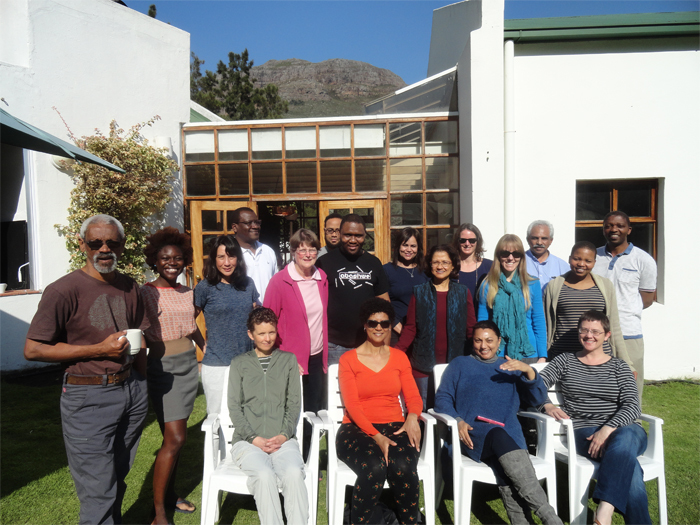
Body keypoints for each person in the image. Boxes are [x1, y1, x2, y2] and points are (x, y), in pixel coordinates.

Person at [23, 214, 149, 525]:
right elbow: (33, 349)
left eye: (112, 242)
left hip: (131, 390)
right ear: (83, 244)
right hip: (87, 394)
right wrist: (98, 350)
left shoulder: (130, 286)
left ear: (121, 245)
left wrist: (142, 381)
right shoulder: (63, 290)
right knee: (98, 487)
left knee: (118, 475)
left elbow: (139, 334)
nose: (104, 249)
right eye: (95, 242)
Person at [434, 321, 561, 525]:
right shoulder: (460, 365)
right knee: (498, 436)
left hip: (507, 440)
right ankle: (550, 518)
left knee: (505, 469)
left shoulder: (510, 366)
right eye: (478, 340)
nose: (484, 346)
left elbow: (537, 398)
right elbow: (442, 399)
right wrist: (457, 421)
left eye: (489, 340)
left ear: (499, 341)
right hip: (473, 435)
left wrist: (528, 371)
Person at [540, 311, 650, 525]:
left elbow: (632, 404)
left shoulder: (619, 366)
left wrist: (607, 428)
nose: (589, 335)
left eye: (595, 331)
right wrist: (546, 404)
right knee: (632, 470)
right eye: (584, 330)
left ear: (607, 335)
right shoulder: (565, 361)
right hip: (586, 432)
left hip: (625, 430)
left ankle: (604, 510)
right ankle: (606, 514)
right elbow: (536, 385)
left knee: (625, 435)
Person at [336, 298, 423, 524]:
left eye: (384, 323)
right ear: (364, 324)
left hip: (395, 425)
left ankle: (409, 521)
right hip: (356, 429)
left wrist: (413, 416)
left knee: (403, 466)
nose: (378, 328)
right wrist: (376, 436)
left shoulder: (399, 357)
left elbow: (413, 396)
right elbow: (352, 406)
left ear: (389, 326)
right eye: (373, 323)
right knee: (374, 468)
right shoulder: (348, 360)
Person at [141, 227, 204, 523]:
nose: (172, 262)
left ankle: (170, 494)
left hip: (188, 365)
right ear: (155, 260)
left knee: (175, 438)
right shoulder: (146, 292)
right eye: (165, 258)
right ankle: (158, 513)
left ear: (184, 261)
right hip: (163, 368)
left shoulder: (186, 292)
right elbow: (139, 333)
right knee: (176, 439)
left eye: (177, 258)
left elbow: (190, 327)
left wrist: (207, 348)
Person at [228, 308, 308, 525]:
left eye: (271, 332)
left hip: (283, 440)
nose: (267, 338)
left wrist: (283, 435)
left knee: (293, 473)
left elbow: (294, 404)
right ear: (250, 334)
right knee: (263, 476)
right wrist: (254, 439)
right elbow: (234, 407)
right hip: (247, 442)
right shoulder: (239, 363)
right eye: (261, 333)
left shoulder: (288, 360)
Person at [263, 228, 328, 456]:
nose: (308, 254)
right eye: (303, 250)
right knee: (288, 412)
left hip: (316, 357)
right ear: (293, 252)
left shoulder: (322, 278)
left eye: (312, 249)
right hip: (289, 361)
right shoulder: (280, 282)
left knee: (312, 410)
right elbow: (266, 324)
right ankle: (283, 456)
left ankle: (307, 458)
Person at [396, 244, 475, 408]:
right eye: (436, 262)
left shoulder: (462, 292)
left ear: (453, 265)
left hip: (454, 364)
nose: (440, 266)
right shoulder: (419, 292)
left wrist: (478, 357)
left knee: (453, 411)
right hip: (423, 365)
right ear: (429, 265)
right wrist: (395, 353)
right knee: (423, 411)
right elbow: (410, 328)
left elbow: (470, 329)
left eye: (445, 262)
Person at [592, 210, 657, 399]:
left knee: (630, 382)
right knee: (600, 382)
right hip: (596, 333)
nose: (614, 229)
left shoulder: (643, 260)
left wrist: (623, 311)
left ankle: (631, 424)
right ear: (603, 229)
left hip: (629, 332)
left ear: (629, 229)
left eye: (619, 226)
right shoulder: (593, 257)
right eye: (609, 225)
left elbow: (647, 299)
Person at [194, 235, 259, 415]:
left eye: (231, 256)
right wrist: (202, 344)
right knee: (216, 417)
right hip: (217, 364)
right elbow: (188, 320)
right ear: (214, 260)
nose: (227, 262)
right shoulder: (205, 287)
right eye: (221, 257)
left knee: (247, 416)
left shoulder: (248, 284)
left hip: (247, 362)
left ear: (238, 258)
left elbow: (257, 317)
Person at [544, 241, 632, 368]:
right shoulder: (555, 286)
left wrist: (627, 362)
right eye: (577, 259)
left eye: (588, 261)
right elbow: (546, 324)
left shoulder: (605, 285)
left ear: (594, 262)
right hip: (563, 355)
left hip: (599, 356)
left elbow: (614, 325)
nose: (581, 264)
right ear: (569, 259)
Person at [317, 213, 390, 364]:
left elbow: (385, 304)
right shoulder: (324, 262)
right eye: (347, 235)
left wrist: (385, 345)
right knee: (337, 388)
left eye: (358, 236)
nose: (353, 240)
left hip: (369, 343)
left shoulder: (374, 263)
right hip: (334, 345)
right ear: (340, 234)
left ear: (365, 236)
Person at [477, 234, 547, 363]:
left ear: (521, 257)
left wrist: (543, 356)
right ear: (498, 256)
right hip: (497, 352)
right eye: (505, 253)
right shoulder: (488, 285)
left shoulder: (532, 283)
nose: (510, 258)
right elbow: (482, 324)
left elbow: (538, 321)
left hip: (528, 352)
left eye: (516, 254)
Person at [382, 227, 428, 346]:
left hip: (422, 332)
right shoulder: (387, 270)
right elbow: (383, 305)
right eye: (405, 245)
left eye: (413, 246)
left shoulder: (425, 271)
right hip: (395, 331)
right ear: (398, 247)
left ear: (418, 248)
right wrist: (402, 331)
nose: (409, 249)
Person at [231, 207, 277, 302]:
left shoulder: (268, 251)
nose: (255, 226)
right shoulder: (230, 253)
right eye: (248, 223)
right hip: (242, 313)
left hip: (267, 313)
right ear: (235, 227)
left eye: (257, 222)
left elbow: (276, 284)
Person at [453, 223, 493, 304]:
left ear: (477, 242)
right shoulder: (451, 266)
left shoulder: (490, 266)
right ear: (457, 242)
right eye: (463, 240)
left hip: (482, 315)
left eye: (472, 240)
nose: (467, 244)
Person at [525, 220, 570, 292]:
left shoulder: (562, 266)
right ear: (528, 239)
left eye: (544, 238)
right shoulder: (518, 262)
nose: (539, 242)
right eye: (535, 238)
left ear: (551, 241)